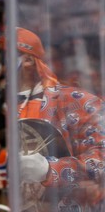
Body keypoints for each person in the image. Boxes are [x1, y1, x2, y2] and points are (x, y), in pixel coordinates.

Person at [13, 27, 105, 211]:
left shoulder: (76, 100)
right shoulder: (4, 106)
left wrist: (50, 169)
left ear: (28, 60)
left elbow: (101, 156)